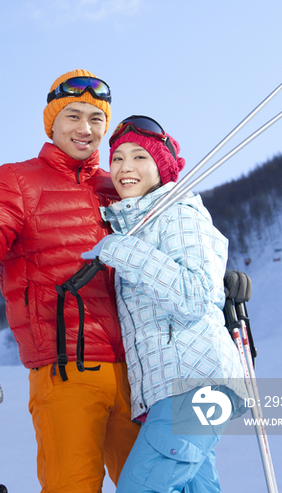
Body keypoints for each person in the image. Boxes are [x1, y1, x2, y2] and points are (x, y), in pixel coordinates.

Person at [0, 69, 140, 493]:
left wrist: (215, 277)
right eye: (73, 115)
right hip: (68, 372)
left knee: (156, 486)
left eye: (96, 118)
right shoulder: (18, 181)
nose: (85, 129)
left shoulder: (121, 187)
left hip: (139, 375)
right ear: (52, 122)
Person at [81, 115, 248, 493]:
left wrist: (122, 250)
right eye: (118, 157)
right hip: (174, 389)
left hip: (193, 382)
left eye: (140, 157)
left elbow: (193, 296)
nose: (125, 167)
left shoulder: (178, 211)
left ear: (161, 167)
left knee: (141, 487)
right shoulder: (138, 223)